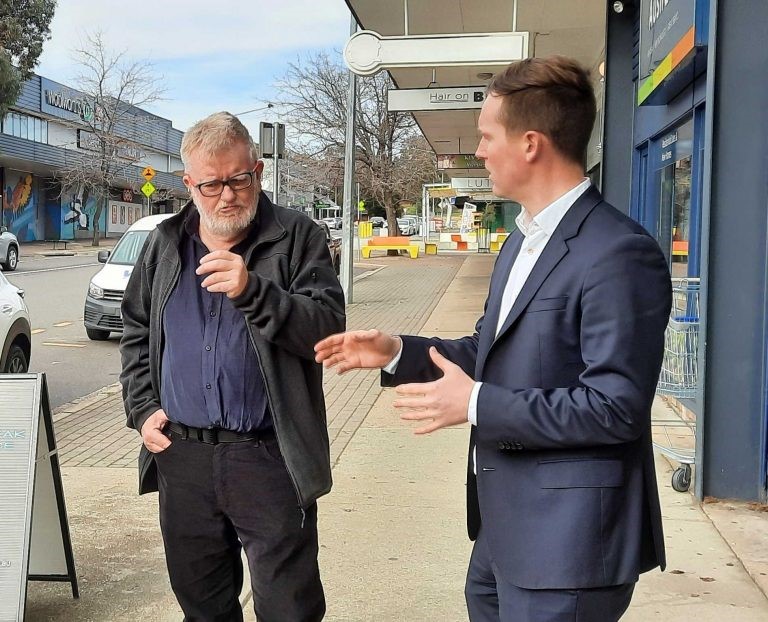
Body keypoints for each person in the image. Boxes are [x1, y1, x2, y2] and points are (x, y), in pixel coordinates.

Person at [315, 56, 671, 622]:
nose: (478, 151)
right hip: (504, 534)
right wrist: (398, 351)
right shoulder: (519, 242)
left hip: (569, 549)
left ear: (531, 144)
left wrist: (476, 403)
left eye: (486, 136)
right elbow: (488, 351)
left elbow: (616, 408)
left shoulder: (619, 252)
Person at [120, 111, 345, 621]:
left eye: (239, 179)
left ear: (259, 171)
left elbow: (328, 329)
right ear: (188, 183)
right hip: (183, 456)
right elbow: (135, 331)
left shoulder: (297, 237)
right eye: (212, 184)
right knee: (202, 606)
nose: (227, 195)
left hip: (269, 456)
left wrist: (252, 290)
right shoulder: (164, 243)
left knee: (290, 608)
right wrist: (142, 407)